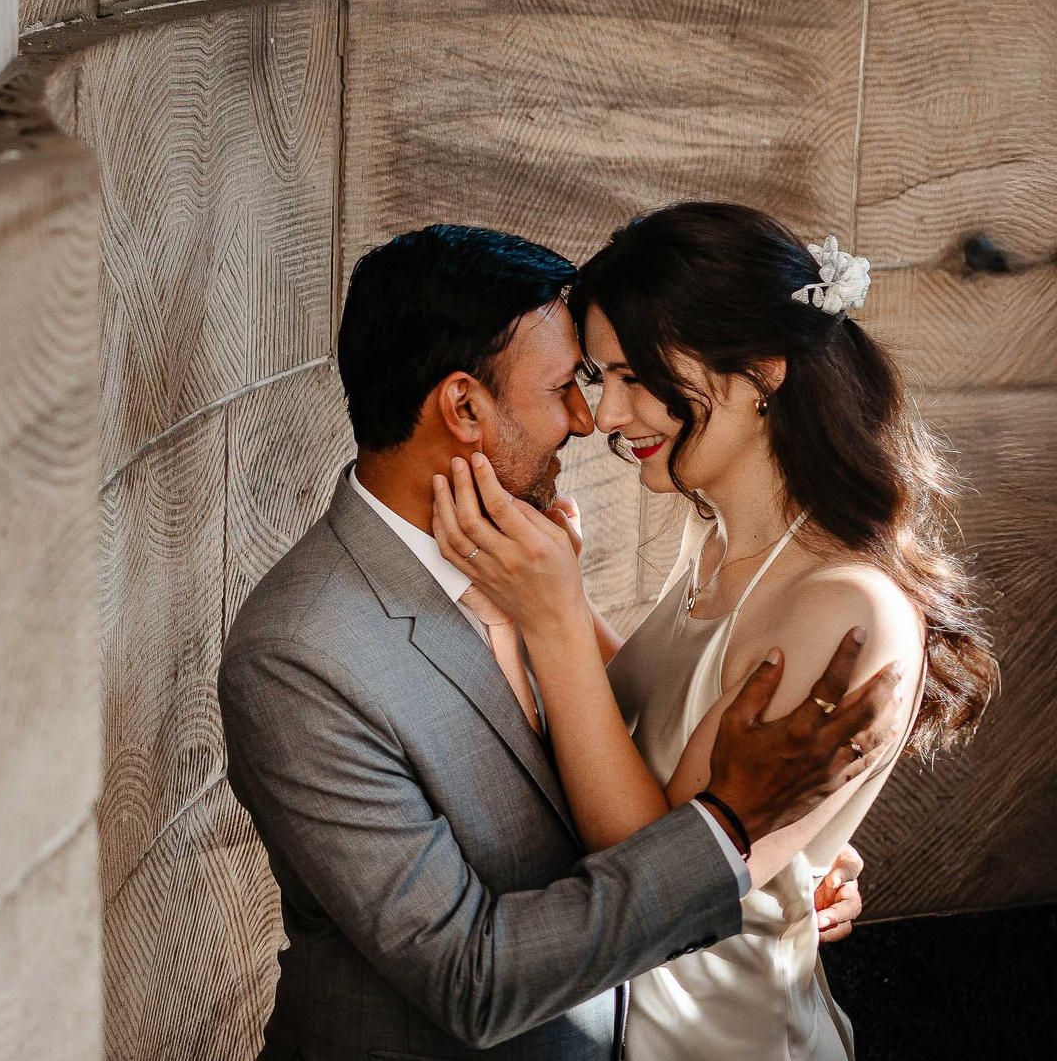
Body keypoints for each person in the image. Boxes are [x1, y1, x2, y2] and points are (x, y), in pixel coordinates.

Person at [220, 224, 904, 1061]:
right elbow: (473, 977)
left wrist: (789, 854)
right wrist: (729, 838)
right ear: (464, 406)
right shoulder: (300, 655)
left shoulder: (534, 561)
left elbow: (627, 737)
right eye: (569, 386)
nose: (591, 419)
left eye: (615, 377)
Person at [432, 203, 997, 1060]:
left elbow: (658, 878)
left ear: (762, 370)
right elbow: (663, 720)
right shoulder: (718, 538)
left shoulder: (849, 607)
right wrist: (567, 600)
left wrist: (549, 620)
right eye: (597, 377)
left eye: (636, 376)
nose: (609, 415)